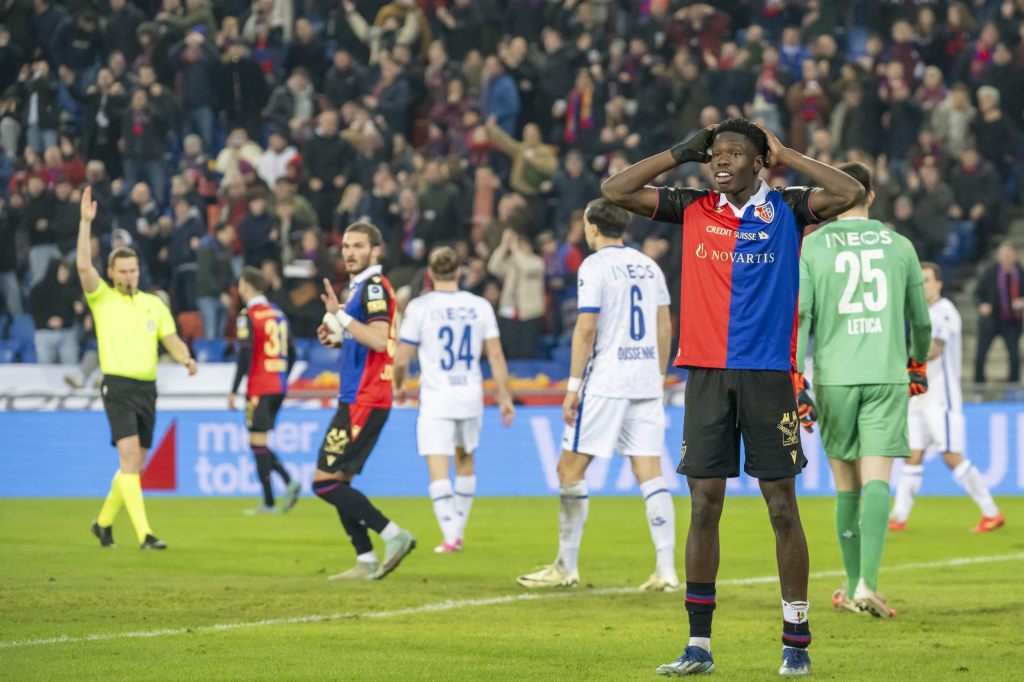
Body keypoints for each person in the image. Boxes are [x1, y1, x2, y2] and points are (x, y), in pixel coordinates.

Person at [602, 118, 864, 676]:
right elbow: (614, 191)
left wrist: (787, 152)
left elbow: (850, 192)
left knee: (781, 509)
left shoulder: (790, 208)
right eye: (714, 153)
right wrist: (678, 152)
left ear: (758, 161)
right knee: (703, 505)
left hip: (768, 375)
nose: (720, 162)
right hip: (704, 375)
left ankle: (796, 641)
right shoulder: (693, 206)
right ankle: (699, 645)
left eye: (734, 154)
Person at [515, 198, 679, 592]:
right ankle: (667, 570)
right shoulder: (648, 266)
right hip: (645, 380)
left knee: (569, 470)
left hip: (607, 381)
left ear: (591, 228)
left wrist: (572, 388)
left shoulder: (594, 265)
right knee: (650, 471)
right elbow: (663, 325)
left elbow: (586, 328)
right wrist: (657, 375)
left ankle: (566, 566)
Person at [796, 162, 931, 621]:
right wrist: (917, 362)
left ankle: (852, 584)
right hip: (886, 374)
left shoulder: (812, 247)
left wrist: (795, 376)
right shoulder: (900, 246)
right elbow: (922, 320)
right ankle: (867, 584)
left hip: (835, 377)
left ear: (831, 197)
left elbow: (802, 319)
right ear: (871, 196)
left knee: (845, 486)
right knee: (878, 480)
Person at [77, 186, 198, 550]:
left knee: (134, 465)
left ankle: (102, 524)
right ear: (111, 272)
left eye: (133, 269)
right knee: (130, 459)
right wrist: (85, 224)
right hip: (118, 386)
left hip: (148, 389)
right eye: (123, 270)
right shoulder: (102, 298)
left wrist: (186, 357)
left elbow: (171, 338)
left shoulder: (153, 304)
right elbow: (84, 265)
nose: (129, 275)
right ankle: (145, 534)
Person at [393, 246, 516, 553]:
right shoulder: (480, 306)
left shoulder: (420, 307)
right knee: (465, 461)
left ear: (431, 274)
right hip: (469, 395)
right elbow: (496, 355)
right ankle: (456, 531)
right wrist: (504, 397)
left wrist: (399, 386)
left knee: (437, 465)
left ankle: (450, 534)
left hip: (436, 397)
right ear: (458, 272)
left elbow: (400, 360)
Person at [313, 222, 415, 581]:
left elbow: (375, 337)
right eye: (345, 246)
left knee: (323, 482)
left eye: (358, 246)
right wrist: (338, 338)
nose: (349, 253)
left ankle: (393, 534)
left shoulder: (372, 287)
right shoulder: (361, 288)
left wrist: (340, 315)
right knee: (339, 481)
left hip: (364, 399)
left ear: (376, 251)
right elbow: (371, 341)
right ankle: (366, 559)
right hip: (360, 396)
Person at [890, 263, 1004, 534]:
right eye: (919, 281)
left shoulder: (944, 311)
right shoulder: (923, 312)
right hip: (918, 398)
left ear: (939, 283)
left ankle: (991, 513)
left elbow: (934, 349)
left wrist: (898, 360)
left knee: (952, 457)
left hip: (941, 398)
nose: (923, 285)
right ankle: (898, 517)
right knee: (912, 457)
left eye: (927, 280)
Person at [229, 266, 301, 515]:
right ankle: (283, 486)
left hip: (259, 386)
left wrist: (234, 389)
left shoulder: (247, 315)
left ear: (246, 286)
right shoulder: (279, 314)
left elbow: (245, 353)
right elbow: (293, 354)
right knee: (259, 442)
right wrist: (280, 378)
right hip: (278, 386)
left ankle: (272, 499)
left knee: (257, 442)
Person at [974, 242, 1024, 383]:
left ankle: (1013, 384)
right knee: (981, 355)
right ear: (999, 256)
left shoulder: (1020, 273)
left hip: (1012, 321)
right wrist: (982, 305)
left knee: (1014, 355)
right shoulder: (990, 272)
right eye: (1004, 254)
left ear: (1015, 256)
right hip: (991, 321)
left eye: (1010, 254)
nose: (1007, 257)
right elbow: (977, 294)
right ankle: (979, 385)